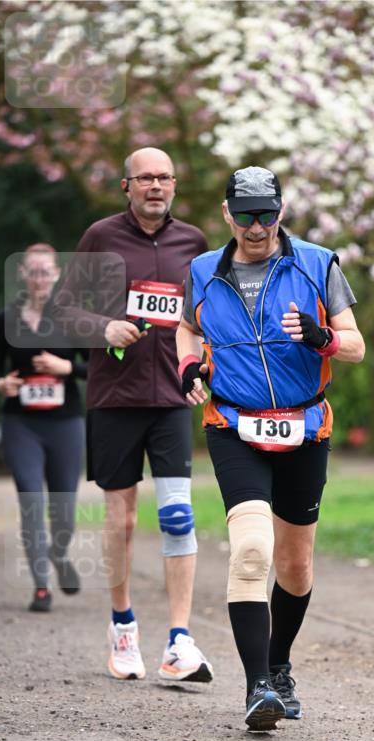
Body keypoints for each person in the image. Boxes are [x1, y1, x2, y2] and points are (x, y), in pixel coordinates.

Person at [177, 166, 365, 730]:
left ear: (281, 211)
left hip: (305, 427)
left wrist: (320, 335)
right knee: (252, 550)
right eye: (246, 216)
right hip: (234, 426)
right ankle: (259, 686)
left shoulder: (317, 264)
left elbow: (355, 346)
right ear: (228, 215)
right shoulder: (203, 271)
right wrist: (189, 362)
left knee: (296, 565)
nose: (257, 227)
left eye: (267, 214)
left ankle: (279, 662)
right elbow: (187, 328)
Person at [54, 147, 213, 683]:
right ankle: (122, 627)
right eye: (145, 177)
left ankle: (180, 640)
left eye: (165, 177)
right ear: (126, 185)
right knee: (120, 520)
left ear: (174, 186)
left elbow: (208, 316)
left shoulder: (193, 243)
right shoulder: (101, 237)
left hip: (170, 397)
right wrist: (103, 328)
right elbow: (62, 310)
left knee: (177, 517)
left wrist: (204, 370)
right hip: (115, 398)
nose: (155, 186)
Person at [0, 243, 87, 612]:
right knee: (31, 501)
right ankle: (41, 585)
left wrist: (66, 368)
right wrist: (0, 384)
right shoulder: (5, 319)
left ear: (57, 275)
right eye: (34, 271)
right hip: (21, 422)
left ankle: (59, 555)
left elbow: (95, 367)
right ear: (23, 275)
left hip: (65, 423)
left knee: (64, 509)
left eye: (46, 271)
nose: (40, 278)